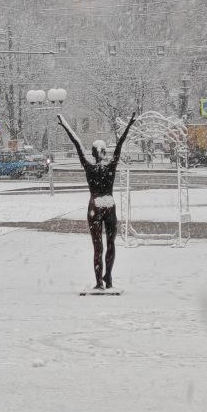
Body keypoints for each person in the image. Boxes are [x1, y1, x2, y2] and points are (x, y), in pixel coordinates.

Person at [57, 110, 139, 291]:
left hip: (95, 205)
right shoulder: (111, 166)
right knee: (110, 245)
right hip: (109, 204)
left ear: (93, 153)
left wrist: (66, 127)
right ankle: (108, 277)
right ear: (103, 152)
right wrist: (129, 127)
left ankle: (99, 282)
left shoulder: (89, 167)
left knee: (98, 247)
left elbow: (78, 145)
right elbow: (119, 145)